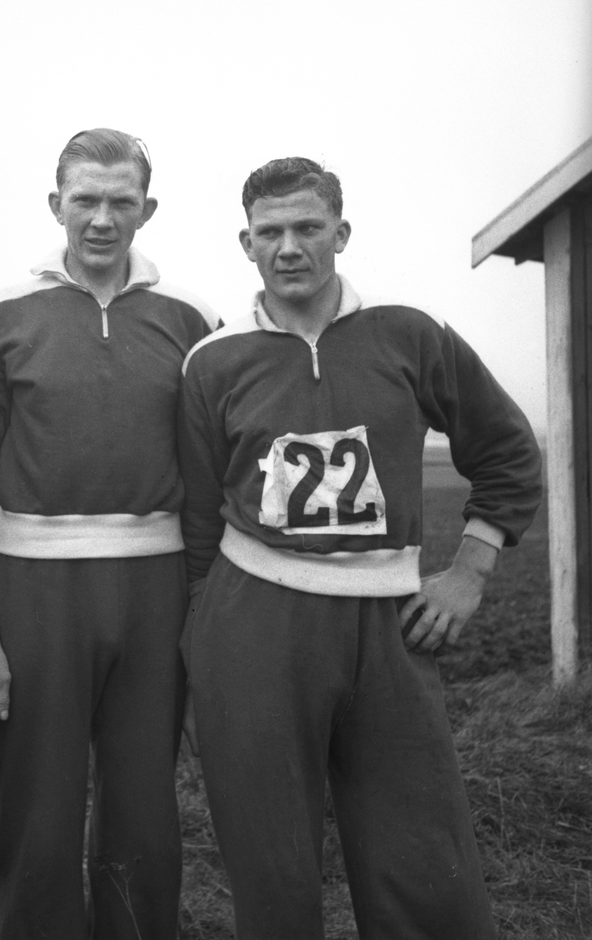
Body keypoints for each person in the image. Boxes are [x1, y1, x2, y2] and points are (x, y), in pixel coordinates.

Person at [176, 156, 543, 939]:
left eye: (308, 227)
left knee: (423, 858)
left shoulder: (409, 333)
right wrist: (203, 642)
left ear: (341, 233)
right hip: (254, 621)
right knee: (271, 863)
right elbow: (199, 516)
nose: (289, 248)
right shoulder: (213, 360)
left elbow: (508, 448)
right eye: (270, 232)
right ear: (246, 243)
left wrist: (470, 571)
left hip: (389, 624)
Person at [0, 129, 220, 939]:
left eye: (120, 201)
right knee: (38, 808)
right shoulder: (0, 314)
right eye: (85, 200)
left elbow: (205, 479)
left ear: (148, 208)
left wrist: (203, 612)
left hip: (154, 587)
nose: (102, 218)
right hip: (34, 585)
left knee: (144, 813)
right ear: (56, 204)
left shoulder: (192, 318)